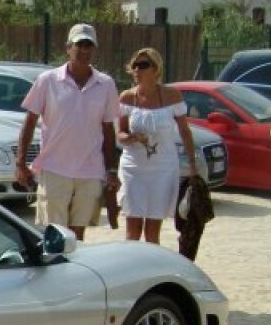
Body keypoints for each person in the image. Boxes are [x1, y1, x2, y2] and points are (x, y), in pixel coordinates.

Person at [15, 23, 121, 240]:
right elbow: (30, 121)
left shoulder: (106, 84)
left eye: (89, 46)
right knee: (55, 233)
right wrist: (20, 163)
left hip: (90, 169)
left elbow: (108, 129)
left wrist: (111, 169)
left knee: (78, 233)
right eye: (79, 45)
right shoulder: (48, 80)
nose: (84, 51)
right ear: (68, 48)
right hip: (54, 167)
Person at [116, 47, 198, 244]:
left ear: (156, 68)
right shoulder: (127, 97)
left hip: (162, 168)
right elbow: (120, 134)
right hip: (133, 168)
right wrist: (133, 137)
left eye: (143, 65)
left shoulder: (172, 96)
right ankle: (131, 271)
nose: (137, 69)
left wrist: (193, 167)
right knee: (132, 231)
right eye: (134, 65)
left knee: (153, 232)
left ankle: (151, 270)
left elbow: (185, 133)